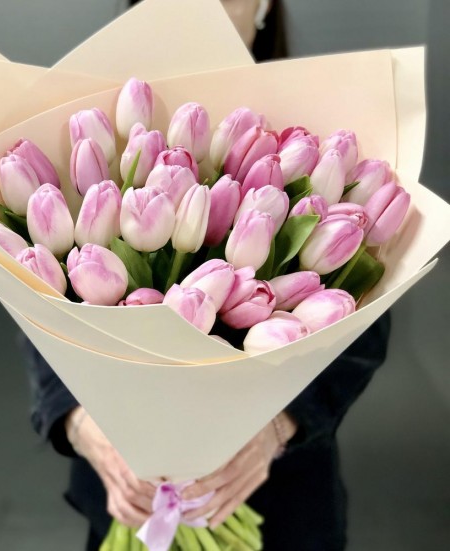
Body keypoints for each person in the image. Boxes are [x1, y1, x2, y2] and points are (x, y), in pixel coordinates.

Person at [24, 2, 392, 549]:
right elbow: (39, 301)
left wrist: (278, 427)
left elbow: (362, 318)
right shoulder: (103, 130)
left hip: (277, 496)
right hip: (126, 496)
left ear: (265, 4)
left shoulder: (317, 129)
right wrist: (84, 424)